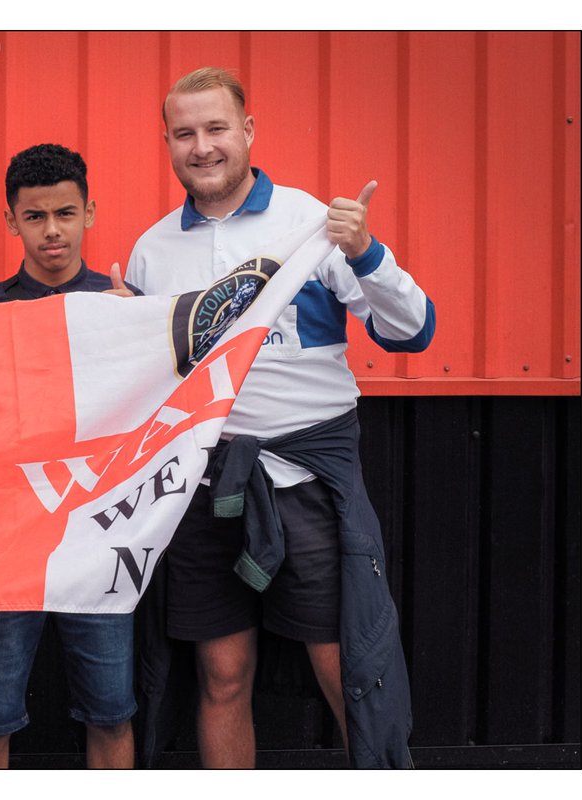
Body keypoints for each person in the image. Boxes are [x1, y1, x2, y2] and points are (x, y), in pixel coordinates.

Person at [126, 67, 434, 768]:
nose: (201, 147)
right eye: (184, 133)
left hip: (308, 485)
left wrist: (367, 252)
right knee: (222, 676)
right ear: (168, 142)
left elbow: (412, 331)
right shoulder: (151, 250)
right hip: (205, 491)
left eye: (215, 129)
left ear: (248, 132)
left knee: (349, 672)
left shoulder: (312, 226)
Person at [0, 143, 139, 769]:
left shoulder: (129, 304)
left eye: (66, 212)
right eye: (35, 217)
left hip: (101, 539)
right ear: (12, 221)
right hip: (5, 545)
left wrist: (133, 333)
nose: (52, 230)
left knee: (113, 712)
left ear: (90, 213)